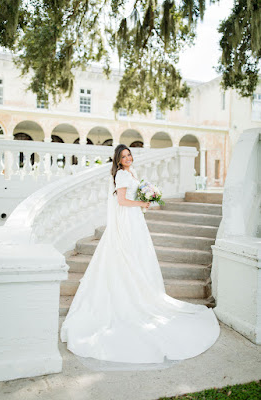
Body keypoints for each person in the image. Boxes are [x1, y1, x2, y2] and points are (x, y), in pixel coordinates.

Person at [60, 144, 220, 364]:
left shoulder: (129, 173)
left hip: (134, 219)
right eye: (123, 156)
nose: (127, 158)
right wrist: (143, 202)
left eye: (129, 155)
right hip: (128, 219)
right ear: (117, 160)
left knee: (137, 256)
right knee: (128, 256)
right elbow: (122, 201)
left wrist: (143, 203)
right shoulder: (122, 176)